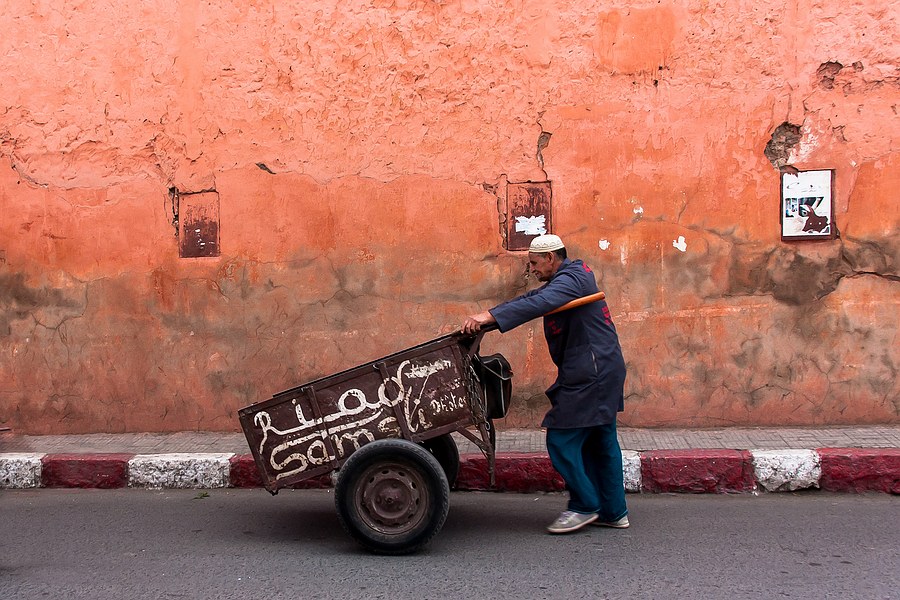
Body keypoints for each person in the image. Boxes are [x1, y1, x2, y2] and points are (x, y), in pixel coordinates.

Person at [462, 234, 629, 534]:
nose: (532, 270)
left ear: (551, 258)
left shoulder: (574, 279)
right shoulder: (566, 279)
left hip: (591, 373)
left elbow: (540, 302)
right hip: (598, 368)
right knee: (600, 441)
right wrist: (489, 319)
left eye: (535, 264)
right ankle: (614, 512)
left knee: (561, 439)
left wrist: (489, 316)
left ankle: (584, 506)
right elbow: (531, 299)